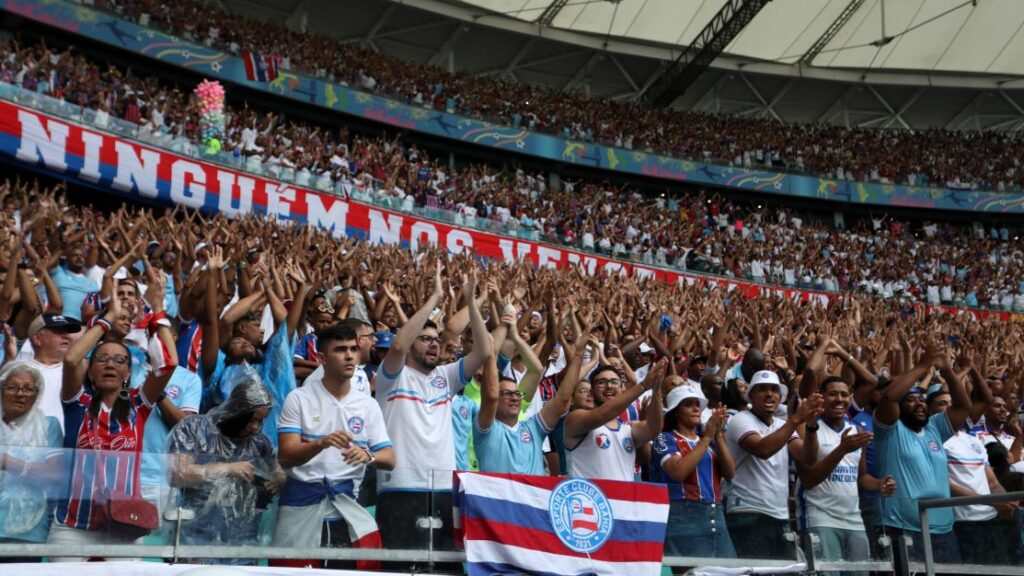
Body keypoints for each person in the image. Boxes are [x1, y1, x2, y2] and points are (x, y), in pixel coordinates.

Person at [48, 290, 177, 561]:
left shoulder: (137, 406)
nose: (110, 364)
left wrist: (157, 311)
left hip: (123, 523)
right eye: (101, 359)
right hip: (73, 524)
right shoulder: (77, 403)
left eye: (120, 360)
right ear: (90, 371)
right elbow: (71, 359)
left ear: (128, 373)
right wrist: (107, 319)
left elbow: (169, 365)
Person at [374, 265, 491, 558]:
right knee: (400, 568)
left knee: (442, 568)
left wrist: (472, 300)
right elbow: (399, 343)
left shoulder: (446, 377)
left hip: (443, 488)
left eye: (437, 341)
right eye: (425, 338)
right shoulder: (392, 376)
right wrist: (436, 298)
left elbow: (485, 351)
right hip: (399, 487)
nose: (434, 344)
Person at [274, 324, 395, 570]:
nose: (350, 355)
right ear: (322, 358)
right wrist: (321, 443)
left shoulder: (367, 405)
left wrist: (368, 455)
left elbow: (390, 458)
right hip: (300, 507)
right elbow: (286, 457)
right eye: (340, 349)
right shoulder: (299, 398)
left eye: (353, 348)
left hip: (347, 509)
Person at [168, 373, 285, 564]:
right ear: (237, 410)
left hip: (241, 541)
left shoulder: (258, 441)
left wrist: (279, 479)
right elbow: (177, 474)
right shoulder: (195, 429)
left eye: (260, 421)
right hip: (196, 535)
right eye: (252, 419)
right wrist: (226, 469)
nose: (255, 427)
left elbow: (277, 469)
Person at [873, 342, 969, 563]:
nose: (919, 404)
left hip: (943, 528)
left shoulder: (934, 427)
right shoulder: (889, 429)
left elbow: (963, 407)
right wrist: (923, 365)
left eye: (921, 399)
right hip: (902, 527)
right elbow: (889, 397)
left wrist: (947, 371)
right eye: (910, 400)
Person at [797, 376, 895, 575]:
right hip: (821, 518)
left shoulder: (856, 430)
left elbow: (861, 477)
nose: (839, 399)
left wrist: (880, 484)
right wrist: (841, 449)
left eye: (844, 394)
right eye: (832, 394)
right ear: (821, 398)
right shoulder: (809, 427)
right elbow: (808, 479)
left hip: (854, 519)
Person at [725, 370, 822, 560]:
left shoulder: (781, 424)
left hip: (779, 514)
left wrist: (810, 426)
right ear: (750, 395)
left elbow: (807, 458)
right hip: (748, 513)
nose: (769, 394)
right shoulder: (739, 420)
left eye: (774, 390)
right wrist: (795, 420)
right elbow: (763, 450)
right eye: (762, 389)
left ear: (780, 397)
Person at [474, 309, 576, 474]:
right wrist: (491, 352)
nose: (514, 398)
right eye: (507, 394)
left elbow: (538, 373)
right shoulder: (485, 427)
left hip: (531, 500)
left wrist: (515, 336)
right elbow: (491, 396)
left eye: (517, 394)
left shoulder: (533, 427)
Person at [652, 386, 735, 559]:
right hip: (684, 513)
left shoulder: (710, 440)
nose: (697, 408)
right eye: (689, 404)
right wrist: (707, 437)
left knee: (729, 569)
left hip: (715, 510)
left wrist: (718, 435)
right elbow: (678, 471)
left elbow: (730, 472)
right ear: (675, 412)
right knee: (695, 570)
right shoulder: (665, 438)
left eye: (698, 404)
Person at [563, 356, 666, 482]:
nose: (609, 386)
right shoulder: (575, 418)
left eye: (615, 382)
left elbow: (654, 428)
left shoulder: (628, 428)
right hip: (588, 500)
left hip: (621, 500)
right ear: (592, 391)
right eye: (601, 382)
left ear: (623, 388)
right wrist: (643, 385)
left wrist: (656, 389)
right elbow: (603, 414)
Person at [0, 362, 63, 559]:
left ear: (37, 395)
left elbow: (52, 476)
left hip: (27, 533)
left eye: (28, 389)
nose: (20, 394)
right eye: (12, 387)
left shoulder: (48, 426)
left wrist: (7, 462)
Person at [20, 314, 81, 427]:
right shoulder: (19, 372)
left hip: (67, 443)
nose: (66, 336)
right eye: (58, 331)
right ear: (37, 338)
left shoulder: (78, 371)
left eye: (67, 332)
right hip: (26, 441)